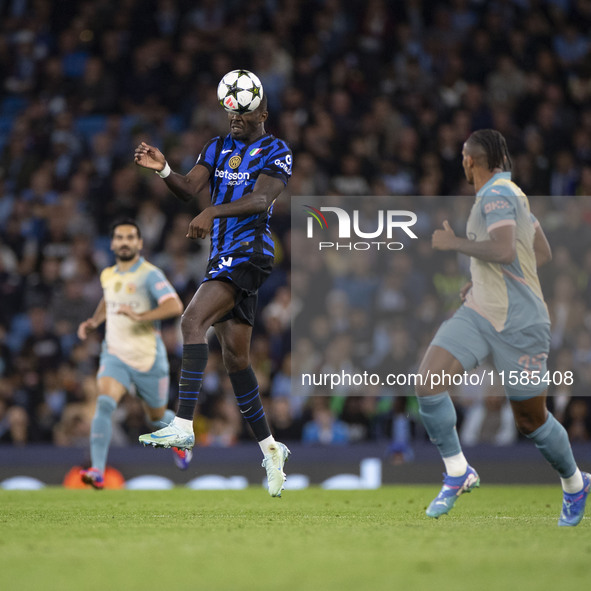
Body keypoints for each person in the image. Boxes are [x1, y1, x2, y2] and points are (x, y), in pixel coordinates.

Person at [416, 129, 590, 526]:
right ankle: (458, 471)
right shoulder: (510, 195)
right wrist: (484, 281)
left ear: (471, 160)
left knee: (532, 419)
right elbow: (539, 252)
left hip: (520, 323)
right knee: (428, 382)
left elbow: (506, 250)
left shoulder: (496, 196)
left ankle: (574, 483)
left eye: (463, 155)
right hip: (480, 312)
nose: (461, 161)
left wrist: (455, 244)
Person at [133, 75, 292, 497]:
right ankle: (271, 449)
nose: (235, 118)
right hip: (222, 258)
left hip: (251, 252)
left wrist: (213, 212)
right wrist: (164, 168)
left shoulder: (276, 151)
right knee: (236, 360)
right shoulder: (216, 147)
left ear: (262, 113)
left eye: (242, 112)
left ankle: (182, 426)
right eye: (229, 112)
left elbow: (261, 200)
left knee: (191, 322)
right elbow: (188, 189)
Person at [77, 219, 185, 489]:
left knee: (155, 416)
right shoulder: (108, 275)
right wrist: (94, 321)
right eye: (119, 237)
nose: (124, 242)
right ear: (113, 243)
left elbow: (174, 305)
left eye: (130, 238)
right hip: (115, 354)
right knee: (104, 404)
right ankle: (97, 470)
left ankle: (181, 436)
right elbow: (108, 298)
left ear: (139, 243)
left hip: (147, 356)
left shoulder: (150, 274)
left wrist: (141, 316)